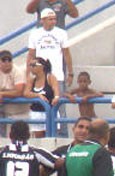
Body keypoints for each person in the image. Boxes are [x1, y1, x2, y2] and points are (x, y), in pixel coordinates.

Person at [27, 8, 73, 137]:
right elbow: (31, 54)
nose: (53, 21)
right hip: (39, 75)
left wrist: (70, 72)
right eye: (50, 19)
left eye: (54, 19)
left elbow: (66, 54)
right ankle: (43, 137)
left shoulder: (62, 33)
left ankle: (62, 137)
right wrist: (28, 74)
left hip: (57, 75)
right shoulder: (35, 34)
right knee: (39, 107)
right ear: (42, 20)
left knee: (59, 107)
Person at [24, 57, 59, 138]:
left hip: (50, 112)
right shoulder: (32, 80)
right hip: (36, 113)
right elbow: (26, 93)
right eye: (30, 65)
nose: (31, 68)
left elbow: (56, 89)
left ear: (42, 66)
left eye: (34, 65)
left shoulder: (50, 77)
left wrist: (56, 97)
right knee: (39, 139)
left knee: (51, 137)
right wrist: (38, 95)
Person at [0, 50, 30, 137]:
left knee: (15, 136)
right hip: (4, 110)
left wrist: (2, 93)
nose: (7, 63)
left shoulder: (17, 72)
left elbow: (19, 91)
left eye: (9, 60)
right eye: (3, 60)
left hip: (19, 111)